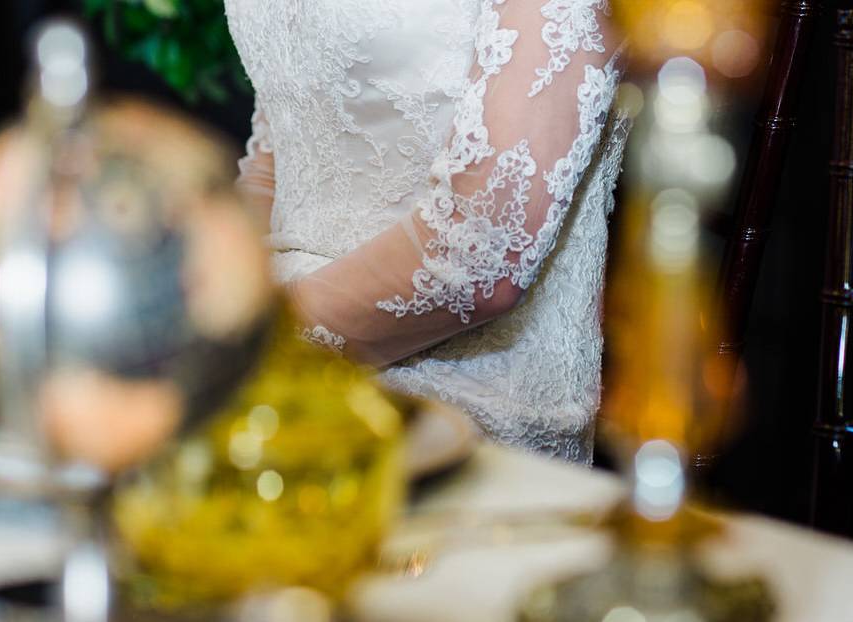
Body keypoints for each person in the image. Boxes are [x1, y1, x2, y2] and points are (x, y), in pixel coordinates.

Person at [225, 0, 629, 462]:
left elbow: (480, 254)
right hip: (259, 366)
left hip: (453, 406)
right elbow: (281, 149)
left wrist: (243, 340)